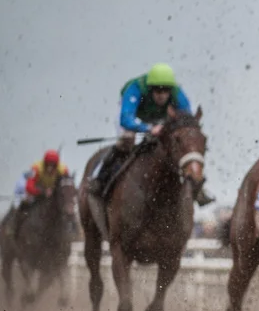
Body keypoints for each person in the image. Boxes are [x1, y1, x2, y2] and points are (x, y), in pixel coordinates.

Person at [88, 63, 211, 205]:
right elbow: (126, 118)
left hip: (160, 120)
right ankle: (101, 179)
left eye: (165, 90)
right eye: (157, 90)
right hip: (134, 117)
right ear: (149, 88)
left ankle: (198, 187)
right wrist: (147, 128)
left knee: (183, 142)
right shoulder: (135, 89)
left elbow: (186, 122)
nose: (161, 94)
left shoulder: (178, 94)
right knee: (126, 140)